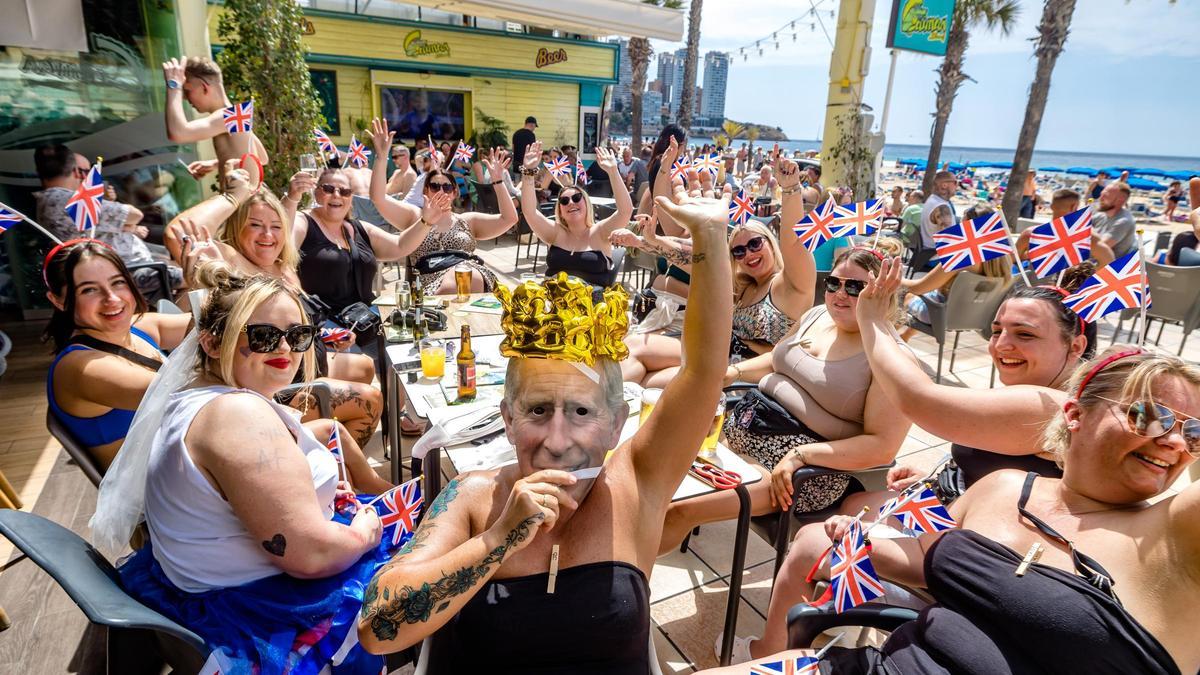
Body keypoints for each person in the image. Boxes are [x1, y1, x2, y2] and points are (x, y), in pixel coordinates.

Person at [356, 182, 736, 674]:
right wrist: (499, 541)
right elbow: (377, 628)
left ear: (618, 422)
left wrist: (710, 237)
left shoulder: (637, 485)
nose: (558, 441)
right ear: (508, 419)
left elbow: (703, 370)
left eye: (581, 412)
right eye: (537, 411)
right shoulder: (474, 499)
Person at [706, 344, 1200, 675]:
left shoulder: (1173, 539)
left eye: (1195, 432)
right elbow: (926, 558)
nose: (1174, 440)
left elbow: (919, 400)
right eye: (1148, 415)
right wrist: (862, 544)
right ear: (1073, 413)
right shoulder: (1005, 487)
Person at [737, 259, 1094, 661]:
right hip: (958, 520)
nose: (1002, 344)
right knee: (854, 503)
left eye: (1024, 334)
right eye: (996, 331)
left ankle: (768, 652)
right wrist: (936, 476)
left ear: (1075, 346)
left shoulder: (1051, 406)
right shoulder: (1051, 395)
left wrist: (873, 321)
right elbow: (1011, 470)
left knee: (810, 542)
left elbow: (919, 399)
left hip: (975, 560)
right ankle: (837, 615)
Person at [113, 264, 394, 674]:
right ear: (211, 343)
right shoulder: (237, 413)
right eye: (263, 337)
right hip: (263, 607)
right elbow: (310, 555)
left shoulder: (199, 397)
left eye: (298, 335)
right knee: (448, 558)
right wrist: (364, 535)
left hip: (203, 584)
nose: (285, 349)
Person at [657, 238, 914, 562]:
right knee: (656, 474)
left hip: (799, 473)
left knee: (678, 509)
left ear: (882, 291)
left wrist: (800, 455)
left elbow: (882, 447)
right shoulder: (819, 315)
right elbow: (777, 359)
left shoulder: (889, 357)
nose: (839, 293)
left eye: (855, 287)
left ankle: (611, 593)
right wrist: (732, 372)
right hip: (746, 429)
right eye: (834, 282)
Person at [163, 168, 389, 466]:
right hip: (269, 383)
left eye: (276, 226)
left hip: (300, 359)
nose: (268, 235)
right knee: (371, 400)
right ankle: (324, 469)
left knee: (363, 366)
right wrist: (236, 195)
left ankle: (318, 457)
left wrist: (323, 337)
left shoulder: (283, 266)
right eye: (255, 225)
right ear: (235, 229)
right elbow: (179, 234)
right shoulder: (233, 263)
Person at [616, 148, 818, 385]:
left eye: (755, 244)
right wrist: (650, 242)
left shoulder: (789, 285)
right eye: (739, 251)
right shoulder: (743, 283)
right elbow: (698, 261)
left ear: (771, 245)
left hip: (745, 369)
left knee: (649, 380)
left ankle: (605, 413)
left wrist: (790, 189)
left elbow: (794, 242)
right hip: (718, 351)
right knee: (632, 346)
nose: (748, 254)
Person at [287, 125, 454, 352]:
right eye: (328, 189)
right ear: (316, 192)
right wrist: (291, 198)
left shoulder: (358, 228)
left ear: (351, 198)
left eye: (344, 191)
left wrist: (426, 221)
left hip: (364, 319)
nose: (337, 195)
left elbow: (400, 246)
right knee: (366, 363)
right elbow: (283, 242)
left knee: (420, 341)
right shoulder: (304, 223)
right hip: (325, 326)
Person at [44, 240, 191, 468]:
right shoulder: (81, 367)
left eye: (118, 282)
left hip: (187, 467)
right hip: (157, 497)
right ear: (58, 301)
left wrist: (207, 274)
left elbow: (218, 326)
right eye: (89, 289)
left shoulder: (137, 329)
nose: (112, 298)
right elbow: (185, 396)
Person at [368, 118, 517, 294]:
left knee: (461, 276)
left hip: (468, 275)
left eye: (446, 187)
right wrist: (381, 156)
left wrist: (498, 181)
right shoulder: (414, 217)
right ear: (426, 191)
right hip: (429, 284)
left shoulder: (467, 221)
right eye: (434, 186)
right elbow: (378, 198)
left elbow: (510, 219)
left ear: (454, 192)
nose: (441, 191)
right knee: (452, 284)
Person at [33, 145, 185, 297]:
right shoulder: (68, 201)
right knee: (198, 275)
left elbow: (97, 226)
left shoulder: (48, 201)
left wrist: (108, 204)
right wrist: (124, 219)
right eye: (87, 172)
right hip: (129, 274)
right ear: (76, 172)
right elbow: (135, 215)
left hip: (123, 271)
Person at [518, 142, 632, 287]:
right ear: (560, 210)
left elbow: (625, 211)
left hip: (592, 306)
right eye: (564, 201)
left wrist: (613, 171)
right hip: (554, 302)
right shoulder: (555, 232)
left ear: (587, 204)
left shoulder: (601, 232)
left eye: (577, 198)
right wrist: (528, 171)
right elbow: (529, 212)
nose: (571, 202)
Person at [902, 203, 1013, 330]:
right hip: (974, 316)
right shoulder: (1002, 258)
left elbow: (918, 288)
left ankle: (889, 340)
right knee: (930, 295)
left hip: (942, 315)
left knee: (903, 296)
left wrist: (893, 278)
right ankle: (904, 336)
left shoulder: (961, 256)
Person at [161, 56, 267, 184]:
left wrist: (174, 86)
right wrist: (217, 163)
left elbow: (178, 133)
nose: (185, 98)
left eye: (187, 91)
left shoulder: (225, 116)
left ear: (204, 87)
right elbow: (262, 158)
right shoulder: (235, 115)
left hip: (242, 201)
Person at [1016, 188, 1116, 267]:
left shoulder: (1030, 234)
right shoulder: (1088, 238)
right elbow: (1108, 264)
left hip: (1035, 289)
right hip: (1069, 290)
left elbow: (1012, 260)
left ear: (1051, 207)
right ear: (1074, 208)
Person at [1092, 181, 1137, 259]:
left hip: (1109, 267)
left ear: (1120, 200)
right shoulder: (1101, 215)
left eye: (1105, 196)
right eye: (1101, 194)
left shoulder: (1123, 222)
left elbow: (1099, 249)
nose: (1100, 199)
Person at [920, 171, 958, 250]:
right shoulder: (942, 207)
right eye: (955, 182)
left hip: (928, 250)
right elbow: (949, 239)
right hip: (936, 257)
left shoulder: (932, 199)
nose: (957, 186)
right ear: (944, 185)